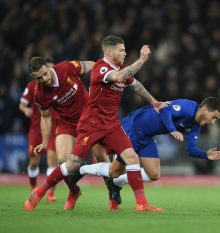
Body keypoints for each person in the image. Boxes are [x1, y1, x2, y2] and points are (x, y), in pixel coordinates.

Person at [24, 35, 165, 212]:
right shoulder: (103, 69)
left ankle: (140, 203)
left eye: (45, 73)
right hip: (89, 123)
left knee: (131, 157)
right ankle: (41, 192)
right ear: (109, 52)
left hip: (110, 123)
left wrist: (154, 102)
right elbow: (118, 76)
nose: (45, 78)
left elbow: (134, 84)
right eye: (121, 50)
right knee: (70, 163)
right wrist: (142, 59)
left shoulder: (73, 68)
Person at [79, 97, 220, 207]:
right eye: (213, 117)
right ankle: (81, 169)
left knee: (154, 174)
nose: (212, 122)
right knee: (114, 171)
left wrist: (205, 154)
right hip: (133, 127)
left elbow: (191, 149)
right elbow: (163, 108)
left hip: (147, 136)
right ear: (205, 110)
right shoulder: (187, 107)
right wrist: (172, 129)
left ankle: (117, 183)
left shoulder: (196, 126)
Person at [23, 56, 100, 210]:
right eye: (40, 77)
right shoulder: (39, 94)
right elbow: (45, 117)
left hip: (88, 116)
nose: (45, 79)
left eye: (45, 73)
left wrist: (97, 86)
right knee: (63, 160)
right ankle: (74, 191)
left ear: (47, 67)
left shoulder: (66, 68)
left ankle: (112, 200)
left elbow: (93, 65)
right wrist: (45, 141)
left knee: (102, 156)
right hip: (66, 122)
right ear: (34, 77)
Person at [19, 58, 58, 202]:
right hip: (37, 129)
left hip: (55, 127)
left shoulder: (59, 85)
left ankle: (50, 193)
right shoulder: (33, 87)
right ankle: (33, 187)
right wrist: (26, 110)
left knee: (52, 161)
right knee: (34, 161)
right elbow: (21, 104)